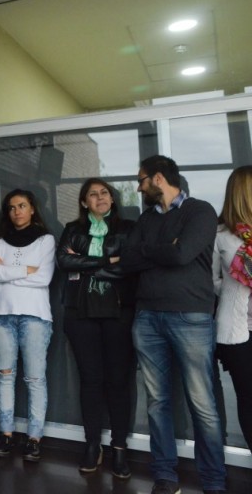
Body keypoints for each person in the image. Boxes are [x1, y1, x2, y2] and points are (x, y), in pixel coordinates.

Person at [121, 155, 226, 494]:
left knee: (203, 404)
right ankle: (165, 477)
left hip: (191, 317)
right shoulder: (147, 218)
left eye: (141, 180)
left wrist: (151, 251)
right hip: (147, 317)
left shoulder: (200, 211)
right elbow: (128, 259)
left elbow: (182, 255)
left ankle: (213, 481)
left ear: (158, 179)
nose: (138, 187)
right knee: (157, 402)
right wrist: (165, 249)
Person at [56, 178, 135, 477]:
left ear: (112, 199)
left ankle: (119, 448)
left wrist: (86, 262)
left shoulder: (128, 229)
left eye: (105, 193)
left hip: (118, 313)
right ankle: (92, 445)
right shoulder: (73, 229)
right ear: (83, 202)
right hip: (80, 314)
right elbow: (64, 261)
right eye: (93, 194)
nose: (100, 198)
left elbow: (128, 264)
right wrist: (108, 259)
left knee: (117, 382)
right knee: (90, 381)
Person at [0, 189, 55, 463]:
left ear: (32, 209)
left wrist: (8, 273)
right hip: (1, 315)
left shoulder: (46, 240)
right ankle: (6, 433)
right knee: (4, 376)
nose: (17, 211)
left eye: (22, 205)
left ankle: (34, 438)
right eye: (12, 207)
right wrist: (27, 269)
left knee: (35, 379)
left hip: (36, 317)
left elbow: (44, 278)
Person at [212, 166, 252, 449]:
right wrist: (235, 284)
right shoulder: (221, 236)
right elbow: (211, 279)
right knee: (249, 399)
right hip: (238, 333)